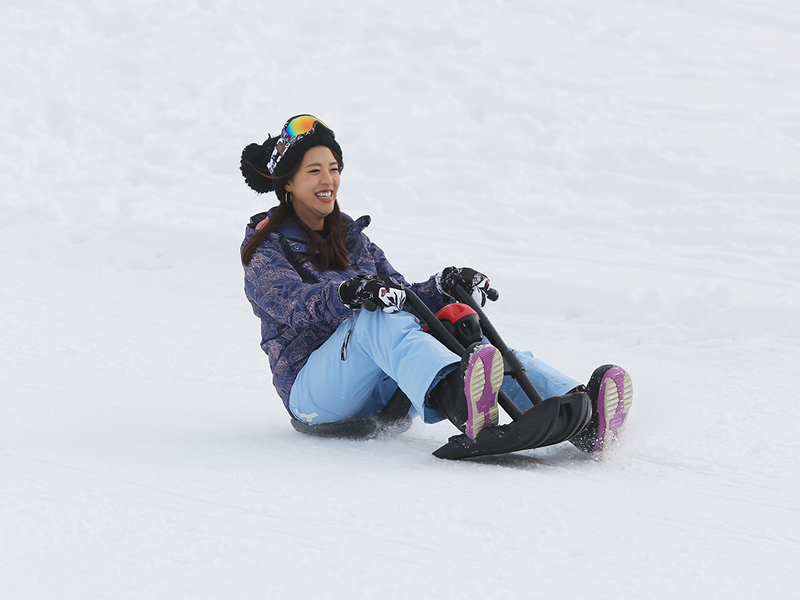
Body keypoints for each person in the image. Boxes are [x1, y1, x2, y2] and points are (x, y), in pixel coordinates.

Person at [240, 114, 633, 452]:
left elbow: (404, 298)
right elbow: (290, 301)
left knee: (453, 321)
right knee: (373, 318)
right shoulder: (266, 246)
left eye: (334, 168)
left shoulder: (352, 239)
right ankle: (463, 401)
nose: (328, 179)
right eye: (314, 171)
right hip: (314, 396)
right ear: (287, 183)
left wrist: (443, 287)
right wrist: (349, 293)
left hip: (380, 389)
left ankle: (580, 412)